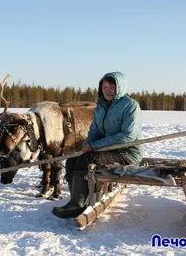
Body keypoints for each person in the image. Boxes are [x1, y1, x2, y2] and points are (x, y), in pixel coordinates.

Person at [52, 71, 143, 218]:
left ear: (120, 87)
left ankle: (77, 204)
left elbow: (128, 136)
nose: (107, 90)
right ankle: (75, 199)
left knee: (87, 159)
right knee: (73, 160)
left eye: (112, 87)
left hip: (126, 153)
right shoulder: (100, 106)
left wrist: (95, 146)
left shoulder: (130, 106)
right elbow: (94, 131)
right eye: (105, 87)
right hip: (107, 149)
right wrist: (87, 144)